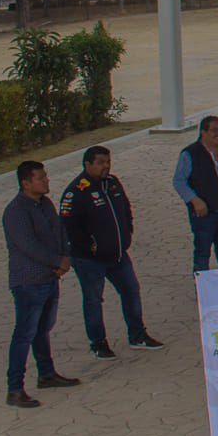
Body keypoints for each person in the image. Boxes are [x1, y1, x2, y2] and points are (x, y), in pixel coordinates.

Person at [58, 146, 164, 359]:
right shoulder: (76, 192)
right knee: (94, 300)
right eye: (100, 162)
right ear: (87, 165)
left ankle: (138, 335)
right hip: (89, 260)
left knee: (131, 291)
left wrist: (128, 233)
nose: (106, 166)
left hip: (118, 255)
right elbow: (68, 227)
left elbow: (126, 209)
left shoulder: (113, 183)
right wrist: (91, 247)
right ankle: (98, 343)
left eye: (108, 161)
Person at [3, 160, 78, 408]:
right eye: (40, 177)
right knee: (24, 333)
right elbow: (28, 246)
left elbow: (60, 231)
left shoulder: (45, 204)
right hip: (29, 281)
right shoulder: (16, 211)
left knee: (42, 329)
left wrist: (64, 257)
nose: (46, 180)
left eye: (45, 176)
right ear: (26, 183)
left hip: (49, 277)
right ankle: (14, 389)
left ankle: (46, 374)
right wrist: (57, 261)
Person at [171, 115, 218, 273]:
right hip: (205, 216)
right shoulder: (190, 154)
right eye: (214, 130)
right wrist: (194, 200)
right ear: (203, 132)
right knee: (203, 254)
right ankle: (203, 291)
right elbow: (178, 181)